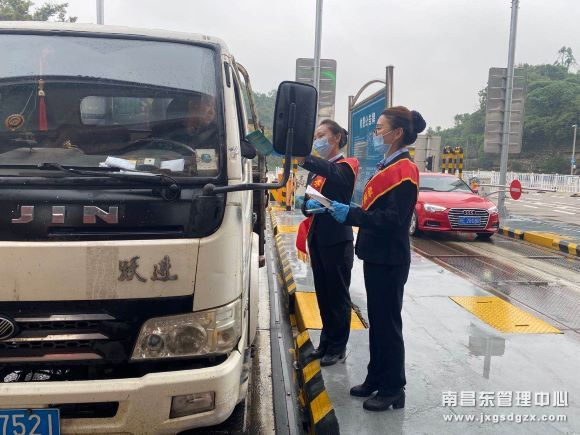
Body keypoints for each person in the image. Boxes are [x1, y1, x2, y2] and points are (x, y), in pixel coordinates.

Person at [327, 106, 426, 411]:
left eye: (380, 129)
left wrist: (352, 215)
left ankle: (394, 388)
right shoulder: (388, 165)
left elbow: (392, 219)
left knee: (388, 325)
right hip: (377, 256)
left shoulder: (405, 170)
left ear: (397, 133)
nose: (376, 134)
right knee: (378, 323)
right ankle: (375, 378)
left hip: (390, 259)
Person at [296, 119, 359, 366]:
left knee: (338, 297)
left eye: (321, 135)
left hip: (337, 241)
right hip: (317, 238)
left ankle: (338, 347)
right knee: (323, 294)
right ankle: (325, 343)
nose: (317, 141)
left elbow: (334, 173)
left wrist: (304, 158)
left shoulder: (346, 166)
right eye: (315, 137)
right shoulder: (315, 172)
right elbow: (305, 203)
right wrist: (307, 206)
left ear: (336, 138)